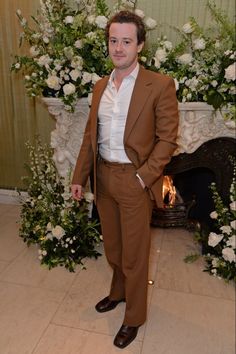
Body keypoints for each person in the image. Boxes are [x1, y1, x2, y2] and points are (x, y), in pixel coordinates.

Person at [71, 10, 179, 349]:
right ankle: (117, 294)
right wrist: (80, 177)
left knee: (134, 255)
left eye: (126, 41)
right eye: (113, 40)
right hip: (103, 178)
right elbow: (92, 135)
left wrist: (143, 177)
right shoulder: (101, 86)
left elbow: (167, 140)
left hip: (134, 181)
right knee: (114, 249)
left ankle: (134, 317)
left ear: (140, 46)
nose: (118, 48)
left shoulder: (159, 85)